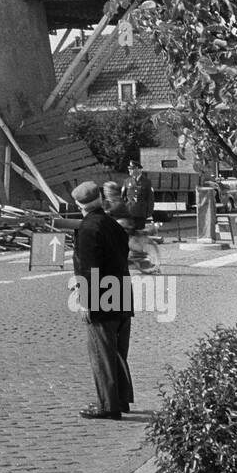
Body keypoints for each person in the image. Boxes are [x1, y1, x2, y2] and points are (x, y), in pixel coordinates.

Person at [71, 180, 134, 420]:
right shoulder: (113, 224)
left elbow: (89, 268)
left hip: (101, 296)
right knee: (118, 352)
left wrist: (86, 301)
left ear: (80, 205)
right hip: (121, 292)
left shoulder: (87, 228)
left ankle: (108, 406)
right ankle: (121, 399)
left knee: (102, 353)